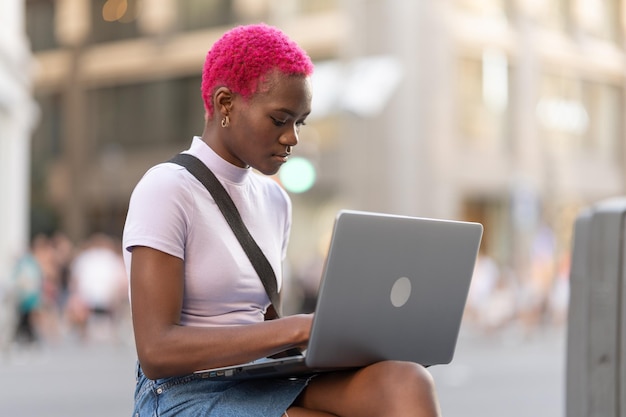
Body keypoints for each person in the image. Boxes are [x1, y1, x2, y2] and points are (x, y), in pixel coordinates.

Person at [122, 23, 441, 417]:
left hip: (259, 378)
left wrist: (339, 339)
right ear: (225, 104)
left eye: (300, 122)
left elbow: (262, 319)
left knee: (405, 381)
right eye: (279, 120)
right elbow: (156, 350)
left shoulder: (274, 199)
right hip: (182, 390)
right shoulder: (167, 188)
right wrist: (302, 328)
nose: (292, 137)